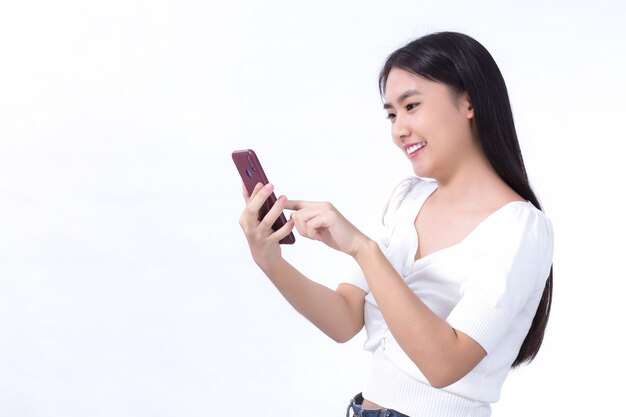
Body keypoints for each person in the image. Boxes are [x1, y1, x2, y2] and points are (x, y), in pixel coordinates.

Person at [238, 31, 554, 417]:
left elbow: (444, 365)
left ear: (469, 102)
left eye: (412, 105)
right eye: (391, 113)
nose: (398, 129)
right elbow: (343, 319)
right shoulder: (407, 200)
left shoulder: (519, 228)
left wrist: (364, 249)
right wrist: (270, 261)